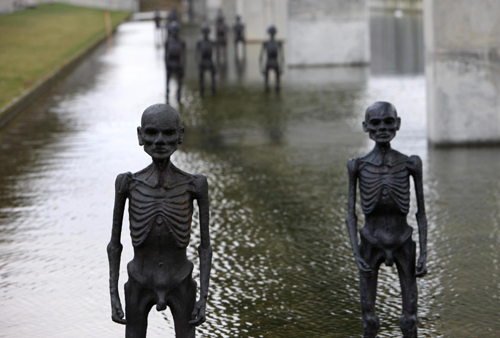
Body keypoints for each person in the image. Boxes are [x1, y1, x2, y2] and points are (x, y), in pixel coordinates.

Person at [107, 104, 212, 338]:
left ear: (180, 135)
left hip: (181, 279)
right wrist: (113, 293)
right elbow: (114, 244)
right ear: (140, 136)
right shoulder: (128, 184)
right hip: (138, 280)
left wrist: (203, 297)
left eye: (168, 133)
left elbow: (205, 246)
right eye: (152, 133)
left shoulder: (194, 185)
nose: (160, 141)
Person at [345, 102, 428, 338]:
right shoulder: (357, 166)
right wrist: (356, 253)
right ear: (366, 127)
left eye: (388, 122)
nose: (382, 129)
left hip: (403, 242)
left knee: (410, 319)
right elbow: (350, 214)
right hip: (370, 243)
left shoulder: (411, 163)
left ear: (398, 124)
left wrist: (423, 253)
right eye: (376, 123)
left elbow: (421, 212)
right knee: (369, 319)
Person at [165, 21, 186, 103]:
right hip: (170, 63)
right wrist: (166, 65)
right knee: (167, 83)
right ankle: (167, 96)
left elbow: (184, 56)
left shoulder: (182, 42)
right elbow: (165, 55)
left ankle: (179, 96)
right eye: (173, 31)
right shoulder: (168, 42)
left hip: (178, 64)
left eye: (176, 31)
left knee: (179, 83)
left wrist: (183, 67)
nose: (174, 33)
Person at [259, 26, 284, 92]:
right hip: (269, 62)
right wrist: (261, 68)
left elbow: (282, 57)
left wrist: (282, 68)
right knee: (267, 86)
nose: (272, 33)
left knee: (277, 86)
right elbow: (260, 57)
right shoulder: (266, 43)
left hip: (274, 62)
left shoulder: (278, 43)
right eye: (271, 32)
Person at [196, 25, 217, 96]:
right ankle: (202, 89)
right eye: (204, 32)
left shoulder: (212, 42)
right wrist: (198, 64)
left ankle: (213, 89)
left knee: (213, 72)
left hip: (210, 61)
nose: (205, 34)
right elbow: (196, 55)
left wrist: (216, 63)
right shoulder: (199, 43)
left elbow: (216, 54)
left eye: (207, 32)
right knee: (201, 75)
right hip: (203, 62)